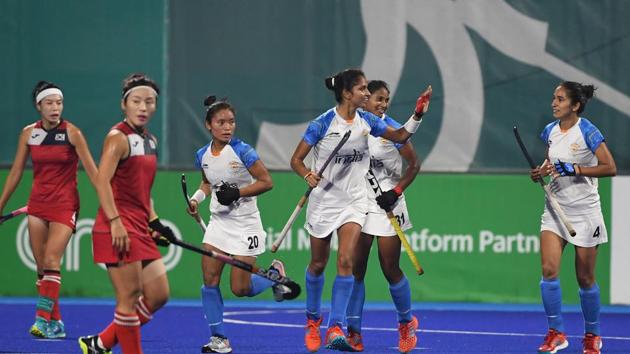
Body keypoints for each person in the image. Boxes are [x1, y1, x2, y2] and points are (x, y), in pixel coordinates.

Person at [291, 68, 431, 352]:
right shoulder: (330, 124)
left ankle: (381, 324)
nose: (371, 97)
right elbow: (299, 159)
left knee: (369, 265)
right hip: (341, 201)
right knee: (336, 266)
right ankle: (331, 325)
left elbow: (403, 140)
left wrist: (417, 115)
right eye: (366, 91)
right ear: (350, 95)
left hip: (372, 203)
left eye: (375, 93)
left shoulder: (372, 122)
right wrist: (308, 174)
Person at [78, 73, 176, 354]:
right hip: (116, 226)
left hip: (139, 225)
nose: (143, 107)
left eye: (149, 102)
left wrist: (154, 221)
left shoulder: (151, 141)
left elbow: (142, 191)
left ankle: (100, 344)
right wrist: (116, 222)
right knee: (129, 299)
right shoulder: (117, 138)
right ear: (125, 105)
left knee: (158, 295)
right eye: (136, 101)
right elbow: (101, 182)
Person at [186, 96, 288, 354]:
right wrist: (197, 199)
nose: (227, 127)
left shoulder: (243, 151)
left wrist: (238, 193)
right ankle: (219, 339)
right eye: (221, 122)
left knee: (241, 288)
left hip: (245, 224)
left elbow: (267, 182)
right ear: (209, 125)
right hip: (218, 222)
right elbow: (207, 183)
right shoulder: (203, 155)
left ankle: (275, 276)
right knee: (209, 279)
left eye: (231, 122)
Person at [0, 81, 98, 339]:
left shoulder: (73, 133)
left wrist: (112, 207)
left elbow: (94, 173)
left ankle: (41, 321)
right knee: (42, 268)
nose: (55, 108)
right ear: (39, 106)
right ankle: (57, 324)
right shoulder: (28, 134)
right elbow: (16, 173)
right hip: (37, 205)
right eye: (50, 103)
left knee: (52, 259)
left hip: (65, 205)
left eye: (59, 103)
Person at [530, 81, 616, 354]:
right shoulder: (550, 131)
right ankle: (556, 333)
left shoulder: (588, 131)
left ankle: (592, 335)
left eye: (560, 99)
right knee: (548, 271)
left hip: (585, 213)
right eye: (554, 98)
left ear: (575, 105)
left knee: (585, 279)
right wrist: (541, 171)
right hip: (555, 210)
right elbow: (551, 162)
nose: (554, 103)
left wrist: (575, 168)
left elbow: (609, 167)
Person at [345, 80, 421, 353]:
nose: (383, 104)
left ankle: (405, 322)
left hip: (389, 203)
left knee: (390, 268)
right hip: (360, 203)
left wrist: (396, 191)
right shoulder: (353, 127)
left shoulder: (392, 129)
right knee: (357, 269)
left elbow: (414, 164)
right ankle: (354, 332)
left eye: (386, 99)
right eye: (378, 98)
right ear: (363, 99)